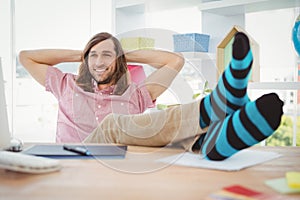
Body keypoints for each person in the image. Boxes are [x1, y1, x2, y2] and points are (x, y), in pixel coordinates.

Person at [19, 32, 284, 161]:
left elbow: (173, 61)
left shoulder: (134, 93)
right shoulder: (66, 84)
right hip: (73, 161)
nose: (99, 62)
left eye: (107, 56)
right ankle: (217, 104)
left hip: (119, 164)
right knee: (113, 124)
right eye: (94, 56)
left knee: (161, 138)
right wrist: (84, 52)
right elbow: (26, 56)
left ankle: (211, 144)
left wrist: (121, 52)